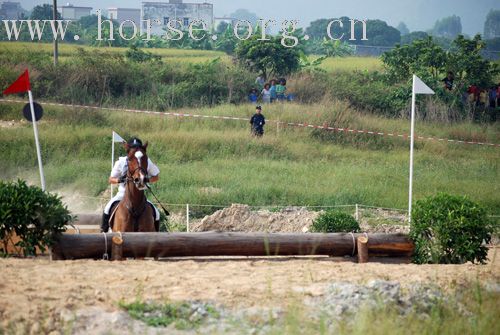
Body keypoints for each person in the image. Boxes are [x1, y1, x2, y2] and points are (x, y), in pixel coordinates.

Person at [101, 137, 161, 233]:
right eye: (134, 149)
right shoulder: (120, 162)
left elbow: (156, 177)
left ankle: (157, 237)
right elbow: (110, 179)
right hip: (122, 194)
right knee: (107, 208)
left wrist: (147, 179)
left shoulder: (146, 160)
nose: (136, 151)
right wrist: (119, 179)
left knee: (156, 213)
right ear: (129, 150)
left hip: (140, 195)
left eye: (138, 148)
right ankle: (103, 234)